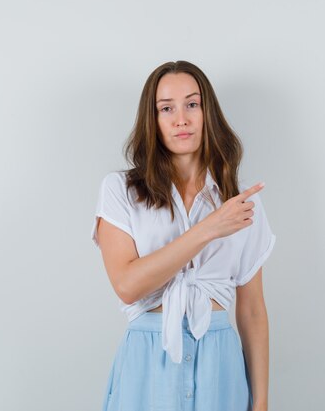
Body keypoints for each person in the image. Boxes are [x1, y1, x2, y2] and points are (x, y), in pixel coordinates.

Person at [91, 60, 276, 411]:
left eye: (192, 104)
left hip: (220, 363)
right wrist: (208, 229)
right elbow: (127, 285)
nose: (181, 119)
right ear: (153, 120)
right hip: (148, 358)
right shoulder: (120, 190)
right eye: (166, 108)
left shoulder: (241, 203)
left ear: (208, 114)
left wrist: (262, 403)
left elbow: (252, 311)